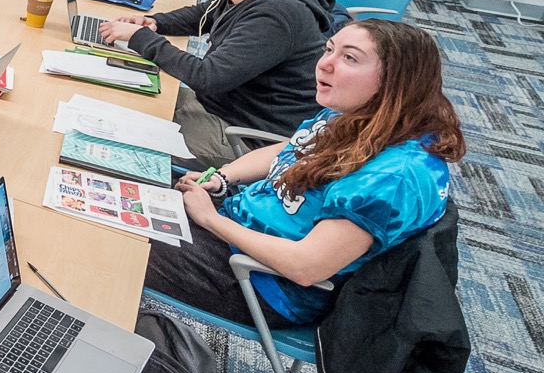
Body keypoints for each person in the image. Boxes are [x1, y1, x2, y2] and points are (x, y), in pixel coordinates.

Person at [145, 20, 464, 328]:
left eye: (349, 58)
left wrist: (210, 220)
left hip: (261, 281)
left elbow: (306, 266)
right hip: (240, 220)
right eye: (329, 49)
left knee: (112, 241)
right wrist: (223, 178)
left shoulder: (394, 178)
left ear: (396, 81)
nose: (325, 64)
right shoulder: (356, 111)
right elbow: (289, 149)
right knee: (119, 181)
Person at [98, 0, 333, 168]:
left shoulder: (275, 16)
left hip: (245, 139)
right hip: (221, 108)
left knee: (115, 138)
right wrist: (155, 22)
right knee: (120, 102)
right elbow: (205, 14)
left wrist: (141, 38)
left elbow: (207, 77)